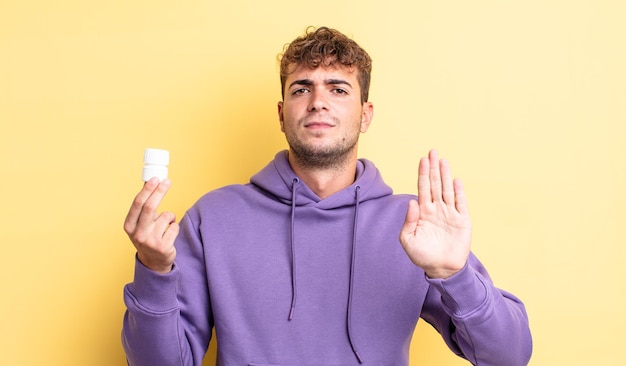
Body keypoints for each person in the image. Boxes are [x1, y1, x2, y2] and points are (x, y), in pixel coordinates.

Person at [122, 26, 532, 366]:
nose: (318, 102)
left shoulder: (413, 223)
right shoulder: (213, 217)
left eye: (338, 89)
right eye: (302, 89)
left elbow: (509, 356)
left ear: (365, 115)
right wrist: (154, 271)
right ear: (282, 114)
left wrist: (454, 274)